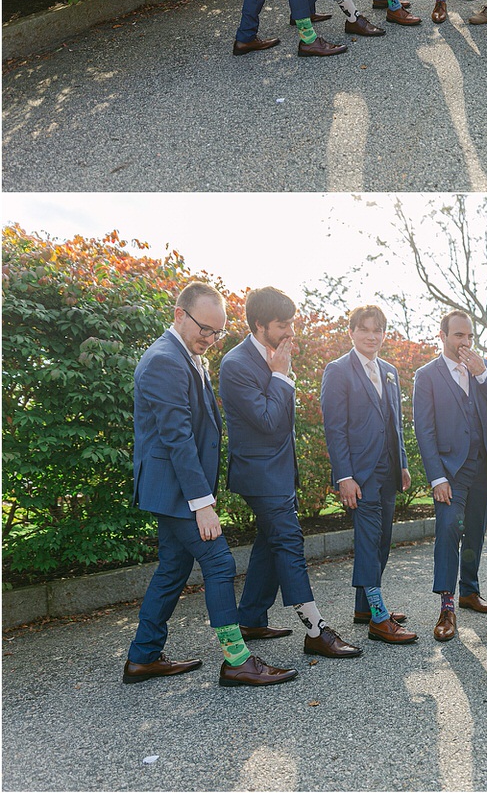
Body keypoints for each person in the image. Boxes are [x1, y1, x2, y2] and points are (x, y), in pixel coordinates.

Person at [124, 282, 297, 688]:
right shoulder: (165, 359)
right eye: (205, 328)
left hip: (173, 489)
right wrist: (202, 503)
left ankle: (143, 657)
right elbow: (177, 438)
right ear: (179, 315)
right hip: (176, 490)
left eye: (217, 332)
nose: (211, 338)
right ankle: (237, 660)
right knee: (219, 562)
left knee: (172, 568)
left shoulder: (186, 356)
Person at [218, 286, 362, 659]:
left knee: (270, 541)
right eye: (284, 325)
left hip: (280, 470)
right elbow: (267, 421)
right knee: (288, 541)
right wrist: (281, 377)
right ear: (259, 325)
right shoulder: (236, 364)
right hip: (259, 474)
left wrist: (281, 374)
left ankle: (250, 618)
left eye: (292, 324)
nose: (291, 333)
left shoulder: (277, 355)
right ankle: (315, 629)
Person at [320, 305, 418, 643]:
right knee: (367, 540)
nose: (372, 336)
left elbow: (396, 423)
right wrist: (343, 475)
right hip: (359, 475)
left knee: (382, 541)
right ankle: (378, 618)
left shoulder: (389, 370)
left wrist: (402, 463)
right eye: (364, 329)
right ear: (351, 332)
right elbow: (335, 429)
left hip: (388, 469)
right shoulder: (338, 370)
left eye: (378, 330)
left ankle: (364, 607)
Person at [412, 311, 487, 640]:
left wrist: (483, 374)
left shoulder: (484, 368)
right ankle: (446, 607)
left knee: (476, 533)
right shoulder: (427, 375)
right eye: (458, 336)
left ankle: (469, 591)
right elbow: (424, 430)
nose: (465, 342)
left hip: (483, 466)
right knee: (448, 530)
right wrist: (436, 477)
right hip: (450, 473)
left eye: (469, 336)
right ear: (442, 336)